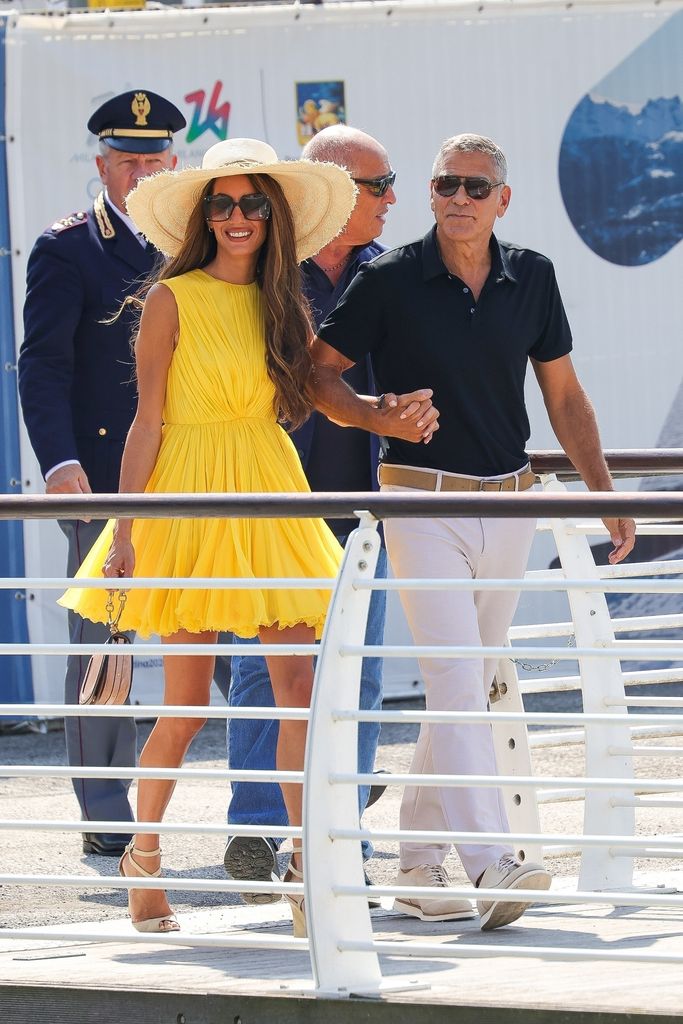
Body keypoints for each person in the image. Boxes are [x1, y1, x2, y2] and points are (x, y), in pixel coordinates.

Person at [58, 138, 436, 936]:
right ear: (203, 217)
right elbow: (146, 420)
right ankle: (144, 860)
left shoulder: (281, 302)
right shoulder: (171, 298)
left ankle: (306, 867)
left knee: (298, 695)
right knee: (188, 705)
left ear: (273, 217)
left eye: (253, 204)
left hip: (268, 491)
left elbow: (314, 394)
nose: (237, 217)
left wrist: (378, 414)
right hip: (188, 498)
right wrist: (127, 530)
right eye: (222, 204)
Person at [308, 133, 636, 931]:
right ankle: (494, 863)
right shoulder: (388, 279)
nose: (457, 197)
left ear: (502, 200)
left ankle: (419, 870)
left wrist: (601, 491)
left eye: (474, 186)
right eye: (443, 184)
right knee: (459, 685)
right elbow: (316, 374)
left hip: (513, 501)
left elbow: (562, 396)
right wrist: (374, 413)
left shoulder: (534, 277)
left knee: (464, 685)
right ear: (429, 194)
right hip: (417, 501)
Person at [222, 125, 396, 904]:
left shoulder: (389, 274)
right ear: (330, 188)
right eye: (378, 184)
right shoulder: (259, 272)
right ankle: (260, 830)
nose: (393, 199)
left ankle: (339, 841)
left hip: (365, 510)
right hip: (274, 502)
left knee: (352, 678)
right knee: (266, 675)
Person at [18, 90, 185, 858]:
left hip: (196, 468)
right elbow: (42, 367)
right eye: (129, 162)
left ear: (174, 164)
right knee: (105, 644)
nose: (143, 174)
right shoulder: (69, 248)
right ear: (102, 166)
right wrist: (61, 463)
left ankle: (283, 759)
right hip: (105, 473)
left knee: (239, 622)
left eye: (156, 161)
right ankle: (105, 808)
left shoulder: (202, 239)